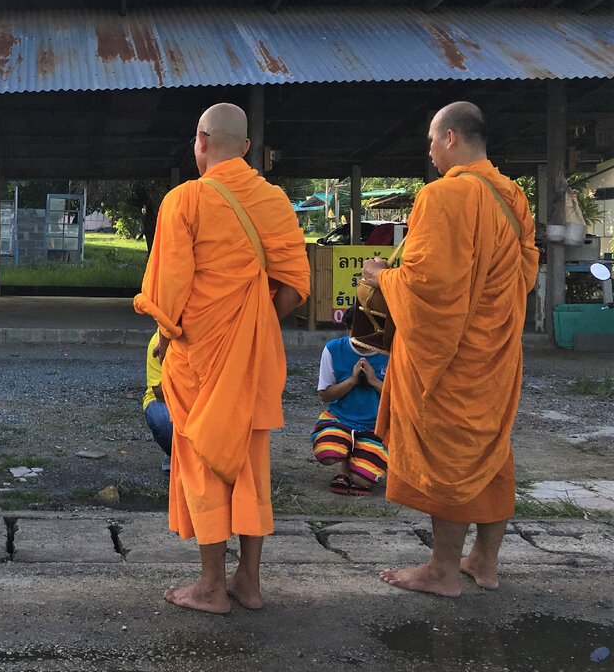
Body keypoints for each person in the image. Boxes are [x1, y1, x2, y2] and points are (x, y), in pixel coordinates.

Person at [134, 103, 310, 614]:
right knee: (251, 464)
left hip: (199, 358)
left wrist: (168, 339)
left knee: (204, 459)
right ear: (248, 148)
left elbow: (168, 294)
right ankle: (249, 582)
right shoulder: (274, 200)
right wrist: (251, 326)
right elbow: (295, 288)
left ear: (201, 142)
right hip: (253, 357)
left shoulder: (185, 200)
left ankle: (211, 585)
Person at [361, 101, 537, 597]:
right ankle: (483, 560)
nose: (431, 152)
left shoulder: (443, 196)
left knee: (452, 451)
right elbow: (525, 274)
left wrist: (380, 276)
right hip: (496, 348)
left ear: (452, 138)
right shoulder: (512, 197)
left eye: (432, 142)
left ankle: (441, 570)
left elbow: (428, 287)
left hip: (453, 353)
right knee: (491, 448)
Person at [311, 307, 388, 496]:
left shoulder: (389, 352)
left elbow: (401, 399)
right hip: (340, 420)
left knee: (361, 482)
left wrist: (374, 381)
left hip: (376, 426)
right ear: (348, 328)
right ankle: (345, 465)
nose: (363, 337)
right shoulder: (333, 348)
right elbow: (325, 395)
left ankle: (361, 462)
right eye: (357, 330)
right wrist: (352, 381)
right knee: (328, 453)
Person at [142, 331, 173, 471]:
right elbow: (159, 394)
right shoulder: (158, 343)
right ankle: (173, 453)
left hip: (197, 398)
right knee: (165, 419)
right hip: (164, 401)